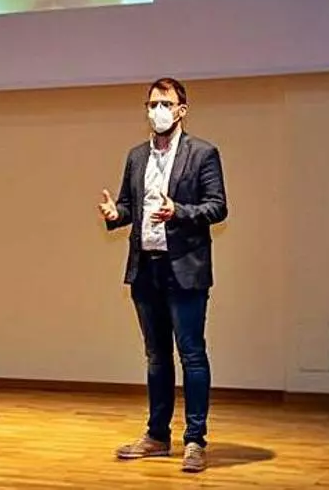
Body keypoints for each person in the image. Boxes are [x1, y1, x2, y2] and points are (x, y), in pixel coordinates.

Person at [97, 77, 228, 472]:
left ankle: (195, 440)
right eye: (152, 104)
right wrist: (115, 214)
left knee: (192, 354)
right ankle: (157, 436)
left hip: (185, 269)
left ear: (181, 110)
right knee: (156, 357)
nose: (158, 111)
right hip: (146, 269)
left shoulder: (203, 153)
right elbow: (128, 206)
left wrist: (179, 212)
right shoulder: (137, 156)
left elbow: (217, 206)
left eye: (165, 104)